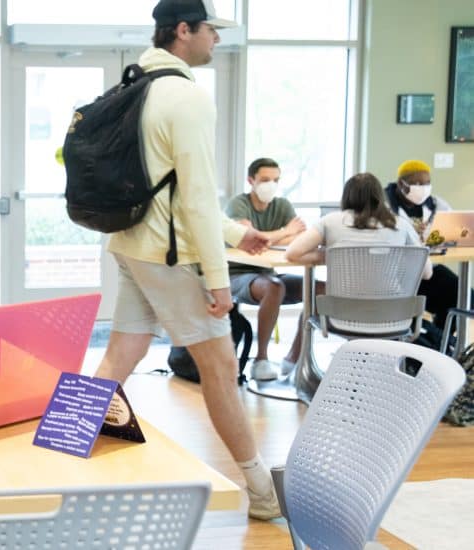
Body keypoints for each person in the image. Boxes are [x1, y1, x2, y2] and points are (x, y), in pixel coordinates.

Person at [93, 0, 280, 521]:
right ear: (183, 31)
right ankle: (263, 494)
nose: (215, 40)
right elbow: (195, 197)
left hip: (131, 248)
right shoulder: (186, 98)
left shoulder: (135, 86)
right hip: (170, 257)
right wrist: (220, 279)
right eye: (209, 31)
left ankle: (54, 453)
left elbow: (166, 192)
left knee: (115, 361)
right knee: (220, 368)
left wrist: (237, 233)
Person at [226, 158, 316, 380]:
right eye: (265, 180)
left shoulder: (282, 205)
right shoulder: (238, 204)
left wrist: (279, 235)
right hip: (236, 274)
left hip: (268, 272)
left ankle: (295, 357)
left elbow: (299, 239)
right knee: (274, 288)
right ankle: (261, 359)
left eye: (276, 180)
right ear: (251, 180)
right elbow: (249, 237)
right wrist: (286, 230)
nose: (271, 185)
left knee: (317, 289)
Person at [287, 172, 431, 280]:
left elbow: (292, 253)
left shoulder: (330, 221)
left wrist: (327, 256)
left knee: (311, 316)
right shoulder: (401, 224)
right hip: (393, 316)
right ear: (380, 197)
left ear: (346, 196)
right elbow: (427, 273)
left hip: (341, 315)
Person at [384, 160, 463, 333]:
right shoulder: (383, 205)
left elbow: (452, 230)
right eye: (417, 183)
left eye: (427, 183)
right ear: (401, 184)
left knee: (461, 295)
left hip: (425, 271)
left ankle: (442, 339)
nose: (423, 188)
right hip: (393, 274)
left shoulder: (437, 205)